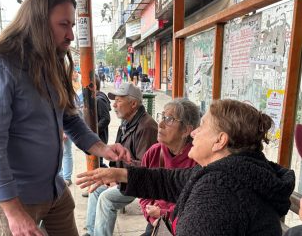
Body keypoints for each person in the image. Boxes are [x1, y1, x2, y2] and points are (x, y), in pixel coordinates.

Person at [0, 0, 130, 235]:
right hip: (15, 197)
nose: (71, 35)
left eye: (72, 25)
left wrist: (101, 148)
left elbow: (69, 118)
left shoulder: (50, 62)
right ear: (37, 22)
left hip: (54, 189)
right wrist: (13, 212)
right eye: (63, 25)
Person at [78, 99, 295, 236]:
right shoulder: (230, 172)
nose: (194, 133)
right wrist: (120, 173)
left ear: (220, 141)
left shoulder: (218, 195)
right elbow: (170, 180)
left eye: (202, 127)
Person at [83, 83, 158, 236]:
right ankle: (92, 233)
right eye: (114, 100)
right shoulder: (126, 123)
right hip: (123, 178)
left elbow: (147, 167)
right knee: (95, 189)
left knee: (106, 199)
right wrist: (112, 175)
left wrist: (117, 175)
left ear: (133, 104)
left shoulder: (147, 126)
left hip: (139, 181)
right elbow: (118, 155)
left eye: (118, 100)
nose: (114, 105)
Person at [140, 98, 199, 236]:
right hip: (156, 222)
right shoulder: (153, 152)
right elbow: (143, 193)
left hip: (183, 226)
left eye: (169, 119)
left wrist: (163, 213)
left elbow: (196, 207)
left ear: (186, 130)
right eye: (161, 116)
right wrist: (152, 217)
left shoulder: (197, 159)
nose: (160, 124)